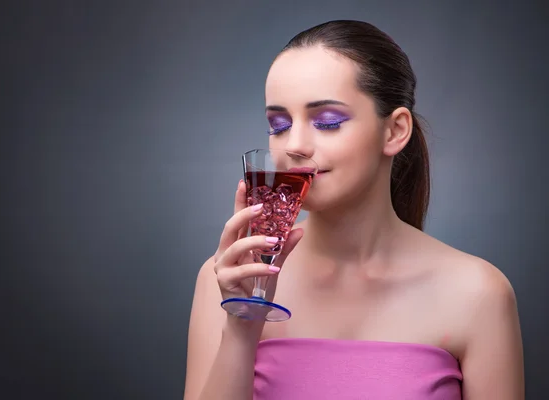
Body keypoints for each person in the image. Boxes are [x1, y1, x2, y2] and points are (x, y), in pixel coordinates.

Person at [183, 20, 525, 400]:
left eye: (327, 122)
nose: (294, 145)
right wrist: (244, 322)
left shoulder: (478, 293)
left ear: (395, 131)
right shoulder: (228, 280)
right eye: (278, 125)